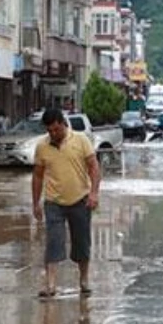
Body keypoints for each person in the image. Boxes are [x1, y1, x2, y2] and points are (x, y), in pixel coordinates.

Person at [32, 108, 102, 299]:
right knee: (53, 241)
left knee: (81, 242)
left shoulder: (80, 140)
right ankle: (51, 284)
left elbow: (94, 167)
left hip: (80, 199)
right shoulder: (42, 146)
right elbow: (37, 176)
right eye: (50, 131)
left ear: (63, 123)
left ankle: (84, 280)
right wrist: (36, 203)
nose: (53, 134)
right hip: (53, 202)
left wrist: (94, 193)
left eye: (56, 129)